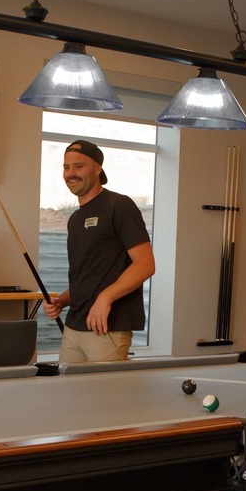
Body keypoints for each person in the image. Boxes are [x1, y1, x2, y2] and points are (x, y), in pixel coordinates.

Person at [43, 140, 156, 363]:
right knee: (68, 397)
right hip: (74, 328)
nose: (71, 173)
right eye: (66, 167)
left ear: (97, 168)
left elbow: (145, 265)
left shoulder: (119, 206)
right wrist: (63, 299)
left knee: (105, 398)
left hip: (107, 329)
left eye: (79, 166)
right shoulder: (75, 219)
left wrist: (105, 297)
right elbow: (90, 274)